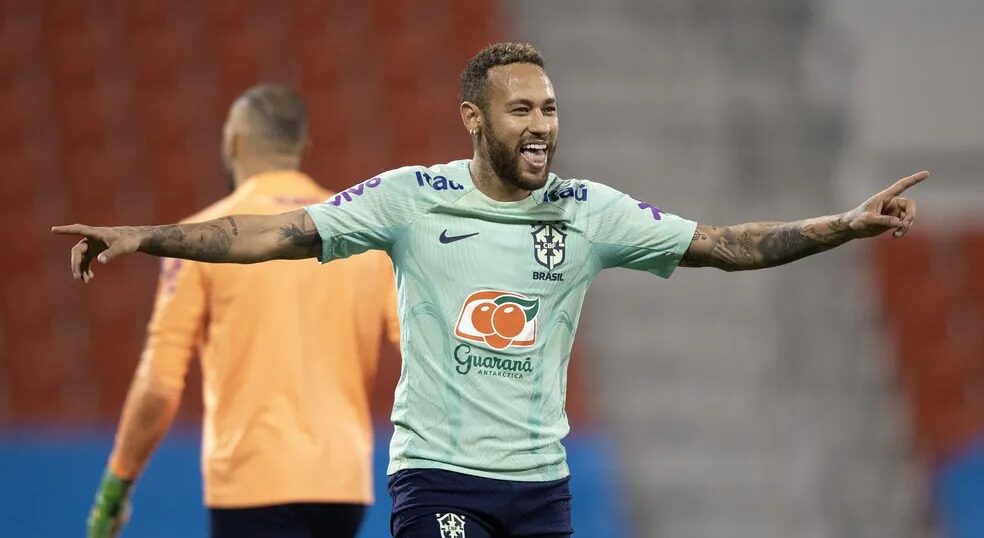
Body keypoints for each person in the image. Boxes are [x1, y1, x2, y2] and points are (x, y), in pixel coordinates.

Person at [57, 44, 925, 538]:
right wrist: (145, 237)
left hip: (542, 489)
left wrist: (842, 224)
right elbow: (263, 235)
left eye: (549, 108)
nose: (542, 125)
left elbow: (726, 246)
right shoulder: (410, 199)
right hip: (438, 483)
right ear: (475, 119)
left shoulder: (591, 213)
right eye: (522, 111)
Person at [84, 84, 400, 538]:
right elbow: (416, 343)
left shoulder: (197, 241)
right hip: (343, 487)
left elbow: (160, 382)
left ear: (233, 143)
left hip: (252, 483)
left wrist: (117, 484)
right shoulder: (360, 238)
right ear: (303, 147)